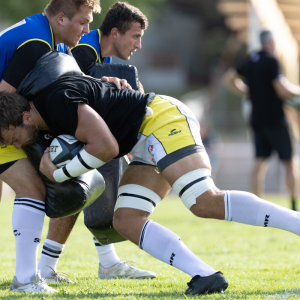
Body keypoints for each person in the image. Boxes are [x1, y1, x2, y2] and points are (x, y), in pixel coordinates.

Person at [3, 56, 300, 295]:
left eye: (13, 137)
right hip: (143, 139)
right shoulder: (43, 113)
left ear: (26, 116)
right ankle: (205, 275)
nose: (16, 146)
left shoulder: (54, 102)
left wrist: (60, 173)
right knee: (126, 219)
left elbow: (106, 147)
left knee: (204, 201)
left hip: (161, 119)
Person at [0, 0, 130, 293]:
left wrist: (99, 82)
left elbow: (57, 77)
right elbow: (4, 100)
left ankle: (33, 274)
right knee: (32, 190)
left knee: (44, 185)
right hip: (2, 122)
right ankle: (26, 279)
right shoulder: (36, 43)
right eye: (83, 22)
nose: (87, 30)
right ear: (61, 18)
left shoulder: (48, 38)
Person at [37, 2, 155, 282]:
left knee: (91, 187)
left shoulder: (103, 57)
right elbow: (67, 86)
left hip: (66, 127)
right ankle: (44, 269)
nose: (139, 45)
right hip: (45, 125)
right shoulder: (85, 48)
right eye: (135, 36)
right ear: (115, 33)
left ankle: (107, 262)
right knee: (78, 189)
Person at [223, 30, 300, 210]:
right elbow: (282, 90)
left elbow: (228, 79)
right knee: (289, 161)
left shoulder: (250, 59)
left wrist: (248, 91)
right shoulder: (272, 61)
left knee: (259, 162)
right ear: (271, 41)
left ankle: (257, 206)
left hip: (257, 119)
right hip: (275, 119)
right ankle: (295, 206)